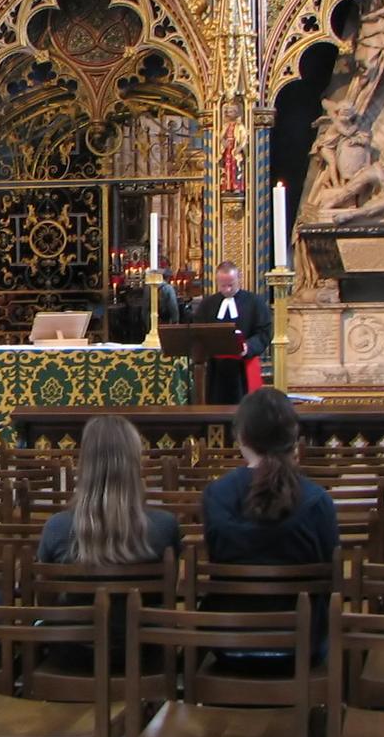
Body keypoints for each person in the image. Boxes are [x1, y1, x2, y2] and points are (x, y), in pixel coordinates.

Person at [200, 388, 339, 654]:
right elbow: (331, 576)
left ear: (241, 436)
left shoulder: (216, 495)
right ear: (294, 438)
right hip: (302, 647)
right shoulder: (317, 500)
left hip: (229, 643)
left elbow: (216, 560)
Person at [36, 416, 181, 568]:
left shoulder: (57, 528)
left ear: (85, 465)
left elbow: (42, 580)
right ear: (135, 465)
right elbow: (173, 579)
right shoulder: (165, 526)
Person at [188, 262, 270, 403]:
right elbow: (198, 330)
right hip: (215, 371)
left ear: (239, 278)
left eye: (231, 285)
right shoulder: (208, 304)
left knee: (246, 408)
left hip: (244, 368)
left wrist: (248, 347)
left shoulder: (254, 302)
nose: (227, 289)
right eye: (223, 285)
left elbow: (264, 331)